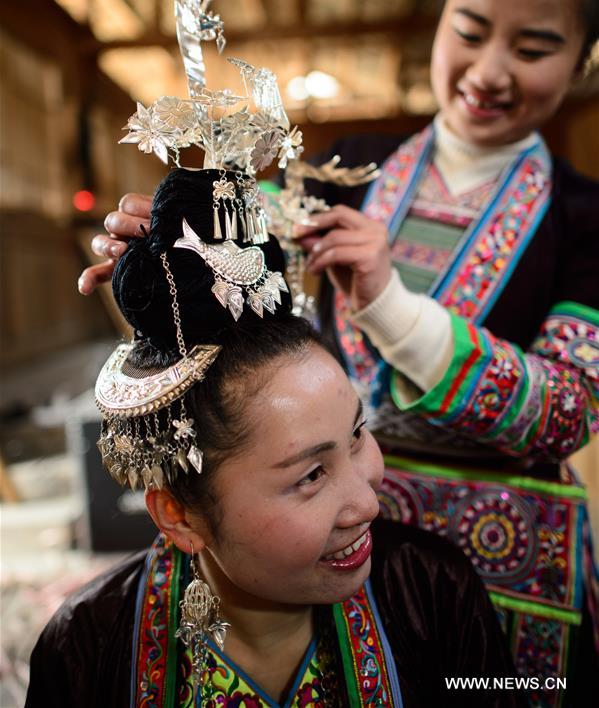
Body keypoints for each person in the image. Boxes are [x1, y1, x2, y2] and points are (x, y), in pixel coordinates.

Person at [78, 0, 599, 703]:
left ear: (584, 62)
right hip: (330, 537)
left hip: (505, 553)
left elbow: (565, 411)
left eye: (535, 46)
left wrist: (389, 300)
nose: (490, 69)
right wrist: (168, 245)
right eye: (470, 30)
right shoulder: (345, 167)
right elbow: (238, 272)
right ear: (438, 23)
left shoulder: (585, 216)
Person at [27, 168, 523, 708]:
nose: (368, 502)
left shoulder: (434, 593)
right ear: (179, 515)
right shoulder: (87, 645)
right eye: (311, 475)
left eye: (357, 435)